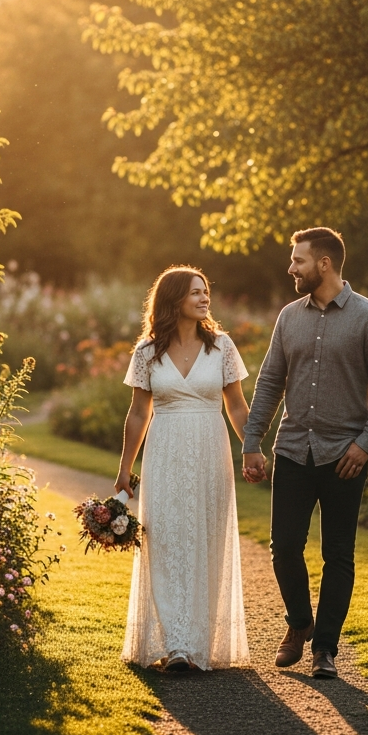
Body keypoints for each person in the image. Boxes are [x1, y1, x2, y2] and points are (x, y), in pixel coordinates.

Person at [242, 227, 368, 679]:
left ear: (324, 264)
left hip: (344, 457)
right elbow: (270, 381)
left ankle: (325, 650)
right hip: (293, 449)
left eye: (298, 261)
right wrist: (252, 441)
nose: (291, 268)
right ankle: (299, 623)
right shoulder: (289, 317)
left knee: (339, 555)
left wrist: (365, 445)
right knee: (284, 547)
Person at [116, 266, 251, 671]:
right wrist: (125, 469)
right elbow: (138, 413)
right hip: (166, 451)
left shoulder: (222, 346)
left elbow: (238, 406)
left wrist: (254, 450)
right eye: (195, 292)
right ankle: (176, 644)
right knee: (167, 540)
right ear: (174, 299)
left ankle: (198, 642)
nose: (204, 298)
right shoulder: (146, 352)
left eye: (206, 291)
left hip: (211, 448)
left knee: (206, 538)